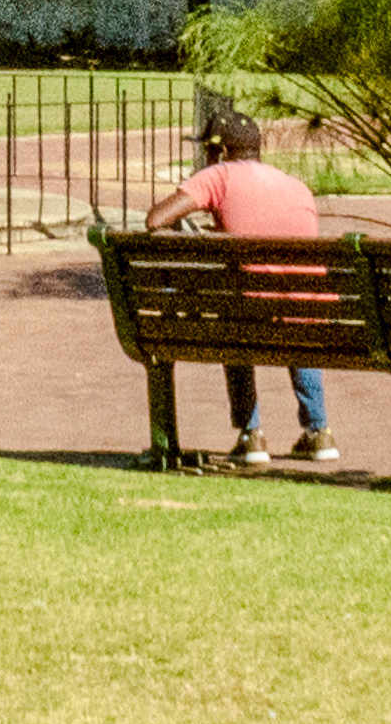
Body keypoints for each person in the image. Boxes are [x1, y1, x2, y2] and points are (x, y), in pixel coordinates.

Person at [145, 105, 347, 468]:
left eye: (206, 151)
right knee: (296, 304)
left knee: (236, 317)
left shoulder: (218, 176)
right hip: (309, 315)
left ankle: (251, 434)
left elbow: (156, 218)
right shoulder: (296, 186)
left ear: (220, 152)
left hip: (249, 317)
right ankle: (319, 431)